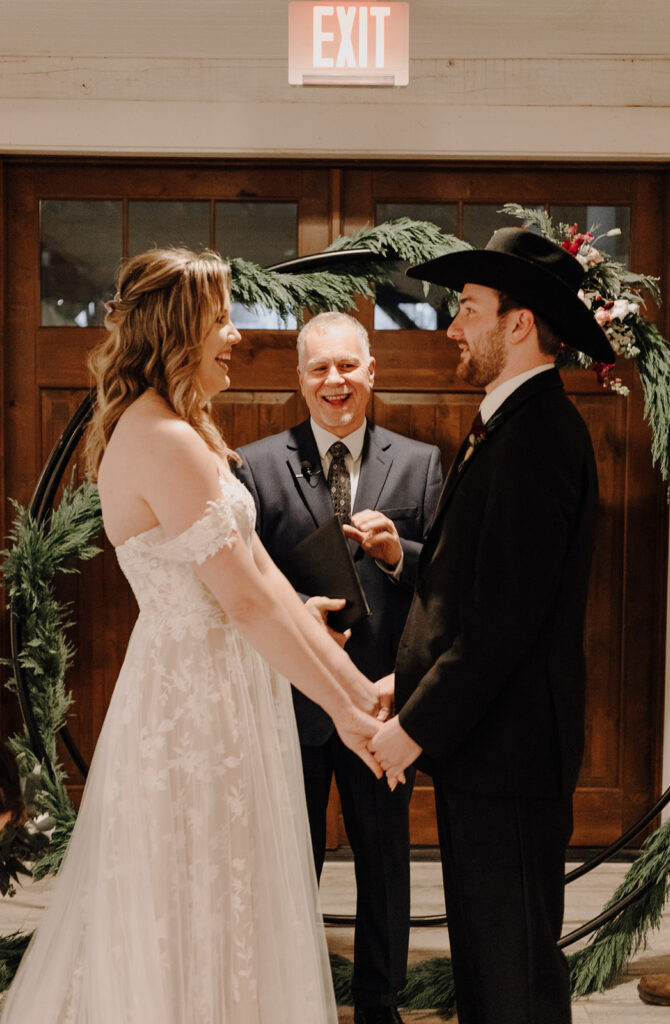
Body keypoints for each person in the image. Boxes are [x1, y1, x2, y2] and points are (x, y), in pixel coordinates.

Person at [1, 249, 386, 1024]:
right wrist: (348, 719)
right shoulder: (164, 439)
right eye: (219, 319)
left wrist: (358, 693)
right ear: (177, 332)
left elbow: (268, 582)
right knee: (196, 893)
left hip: (229, 692)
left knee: (233, 889)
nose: (235, 336)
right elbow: (245, 605)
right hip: (192, 709)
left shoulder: (188, 431)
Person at [369, 228, 615, 1024]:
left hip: (510, 758)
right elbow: (458, 593)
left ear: (518, 323)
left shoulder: (540, 436)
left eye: (467, 309)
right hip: (487, 750)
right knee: (486, 965)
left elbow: (504, 624)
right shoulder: (508, 424)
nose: (451, 327)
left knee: (514, 981)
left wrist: (415, 725)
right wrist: (402, 686)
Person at [236, 311, 442, 1024]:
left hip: (383, 701)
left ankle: (379, 1004)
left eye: (347, 366)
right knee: (288, 863)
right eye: (319, 368)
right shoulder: (254, 465)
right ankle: (291, 998)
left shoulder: (420, 464)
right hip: (289, 699)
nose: (335, 381)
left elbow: (448, 585)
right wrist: (299, 610)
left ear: (371, 370)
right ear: (300, 379)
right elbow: (241, 583)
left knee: (385, 864)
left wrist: (396, 555)